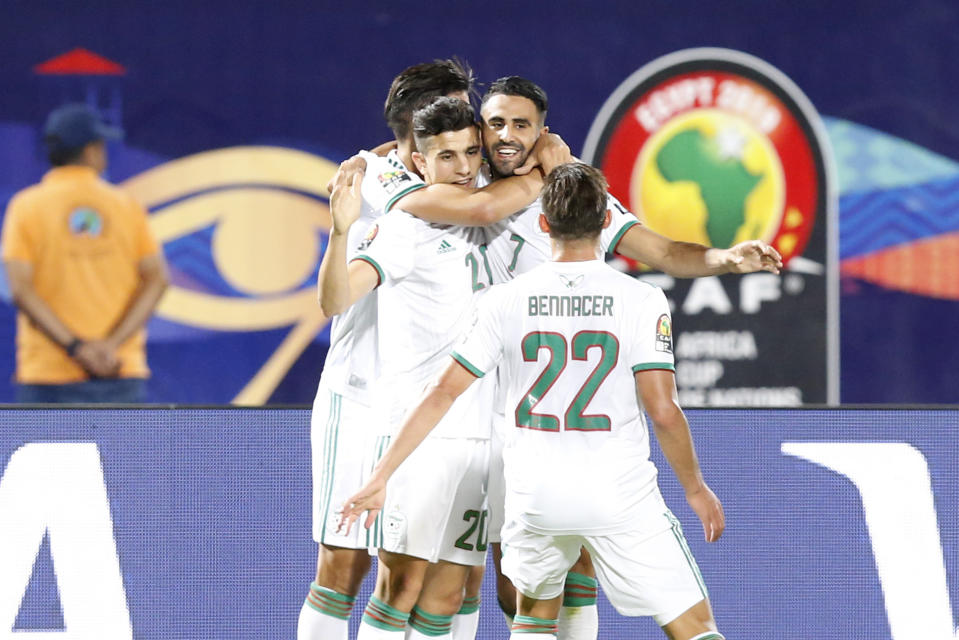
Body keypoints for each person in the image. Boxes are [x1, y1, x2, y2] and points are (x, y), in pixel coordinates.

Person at [341, 162, 726, 640]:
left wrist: (381, 476)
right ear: (607, 221)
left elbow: (442, 392)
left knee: (534, 619)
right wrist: (694, 488)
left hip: (534, 497)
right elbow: (663, 411)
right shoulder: (641, 299)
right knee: (694, 625)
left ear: (544, 224)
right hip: (619, 495)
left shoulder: (504, 300)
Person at [474, 75, 778, 640]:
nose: (507, 135)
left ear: (543, 129)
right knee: (511, 592)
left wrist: (726, 259)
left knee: (559, 582)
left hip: (547, 423)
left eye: (522, 124)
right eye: (496, 123)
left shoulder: (569, 201)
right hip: (491, 415)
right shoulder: (461, 183)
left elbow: (663, 251)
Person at [298, 60, 545, 640]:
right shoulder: (379, 178)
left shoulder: (470, 174)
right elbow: (479, 209)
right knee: (348, 564)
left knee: (455, 576)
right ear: (417, 138)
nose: (481, 135)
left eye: (476, 132)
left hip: (460, 407)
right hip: (366, 396)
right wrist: (543, 172)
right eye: (466, 113)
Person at [0, 103, 168, 403]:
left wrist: (77, 349)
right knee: (120, 453)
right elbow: (157, 280)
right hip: (117, 369)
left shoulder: (25, 208)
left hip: (48, 374)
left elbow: (21, 289)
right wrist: (110, 346)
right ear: (91, 151)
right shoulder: (126, 207)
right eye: (101, 146)